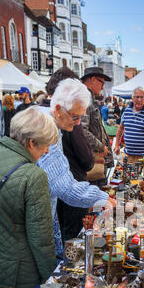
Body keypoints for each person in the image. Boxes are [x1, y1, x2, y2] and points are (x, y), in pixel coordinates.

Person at [37, 78, 115, 231]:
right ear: (58, 109)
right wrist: (102, 198)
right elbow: (64, 186)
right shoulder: (46, 129)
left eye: (81, 116)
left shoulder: (47, 119)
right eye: (75, 116)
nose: (79, 122)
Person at [0, 107, 58, 288]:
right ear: (32, 142)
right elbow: (41, 239)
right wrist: (51, 279)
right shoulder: (34, 176)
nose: (47, 151)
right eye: (46, 144)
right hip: (18, 275)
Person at [44, 67, 97, 243]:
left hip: (53, 201)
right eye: (76, 117)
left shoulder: (46, 115)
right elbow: (85, 160)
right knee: (70, 241)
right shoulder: (57, 121)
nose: (77, 122)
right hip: (63, 196)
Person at [81, 67, 114, 186]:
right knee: (98, 200)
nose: (102, 87)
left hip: (94, 159)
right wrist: (101, 146)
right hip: (92, 160)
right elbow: (82, 130)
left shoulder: (87, 97)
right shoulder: (84, 98)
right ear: (93, 79)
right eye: (102, 82)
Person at [114, 87, 144, 163]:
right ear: (132, 98)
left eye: (142, 97)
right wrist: (117, 145)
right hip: (128, 156)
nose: (139, 100)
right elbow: (120, 129)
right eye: (137, 97)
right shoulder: (127, 111)